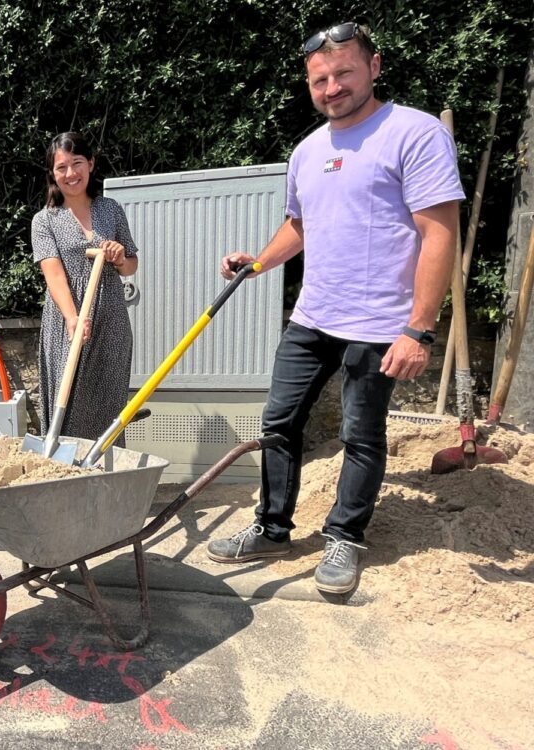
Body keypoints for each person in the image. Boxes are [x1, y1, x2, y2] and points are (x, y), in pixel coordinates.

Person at [205, 23, 464, 594]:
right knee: (278, 421)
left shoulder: (413, 133)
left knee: (361, 434)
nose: (332, 87)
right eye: (320, 79)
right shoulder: (307, 150)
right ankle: (272, 527)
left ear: (374, 67)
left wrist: (418, 329)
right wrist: (260, 263)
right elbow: (299, 224)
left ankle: (344, 538)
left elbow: (439, 232)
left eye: (344, 72)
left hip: (381, 325)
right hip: (313, 316)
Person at [31, 132, 139, 447]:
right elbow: (53, 275)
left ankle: (107, 468)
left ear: (90, 164)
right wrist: (72, 317)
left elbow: (131, 266)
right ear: (52, 173)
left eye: (77, 163)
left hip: (110, 317)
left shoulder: (111, 210)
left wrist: (120, 258)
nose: (70, 174)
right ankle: (65, 466)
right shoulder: (44, 221)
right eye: (61, 167)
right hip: (67, 318)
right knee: (71, 396)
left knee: (108, 397)